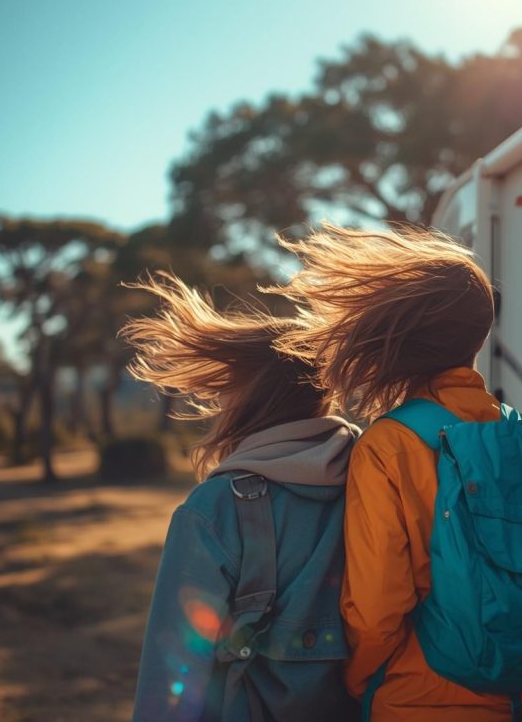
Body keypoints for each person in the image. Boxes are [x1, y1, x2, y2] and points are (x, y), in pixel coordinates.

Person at [270, 224, 522, 722]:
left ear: (403, 338)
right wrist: (517, 657)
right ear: (481, 335)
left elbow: (375, 612)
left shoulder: (389, 446)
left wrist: (364, 682)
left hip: (420, 702)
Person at [123, 272, 360, 722]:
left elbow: (172, 679)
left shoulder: (215, 509)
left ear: (256, 399)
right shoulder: (376, 478)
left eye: (227, 390)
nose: (220, 404)